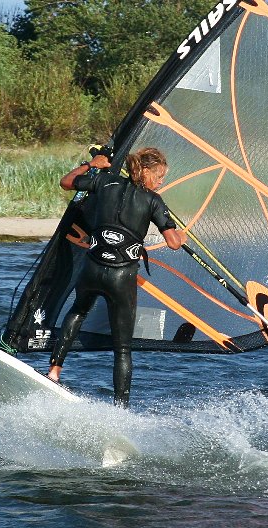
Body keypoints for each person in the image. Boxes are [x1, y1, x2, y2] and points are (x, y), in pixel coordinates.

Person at [47, 147, 186, 408]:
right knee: (122, 348)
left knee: (77, 311)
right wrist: (180, 235)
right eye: (159, 176)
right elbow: (173, 243)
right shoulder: (153, 200)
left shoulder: (105, 180)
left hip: (92, 268)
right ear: (145, 172)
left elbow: (66, 182)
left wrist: (91, 164)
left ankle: (54, 372)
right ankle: (120, 408)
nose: (161, 181)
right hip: (121, 278)